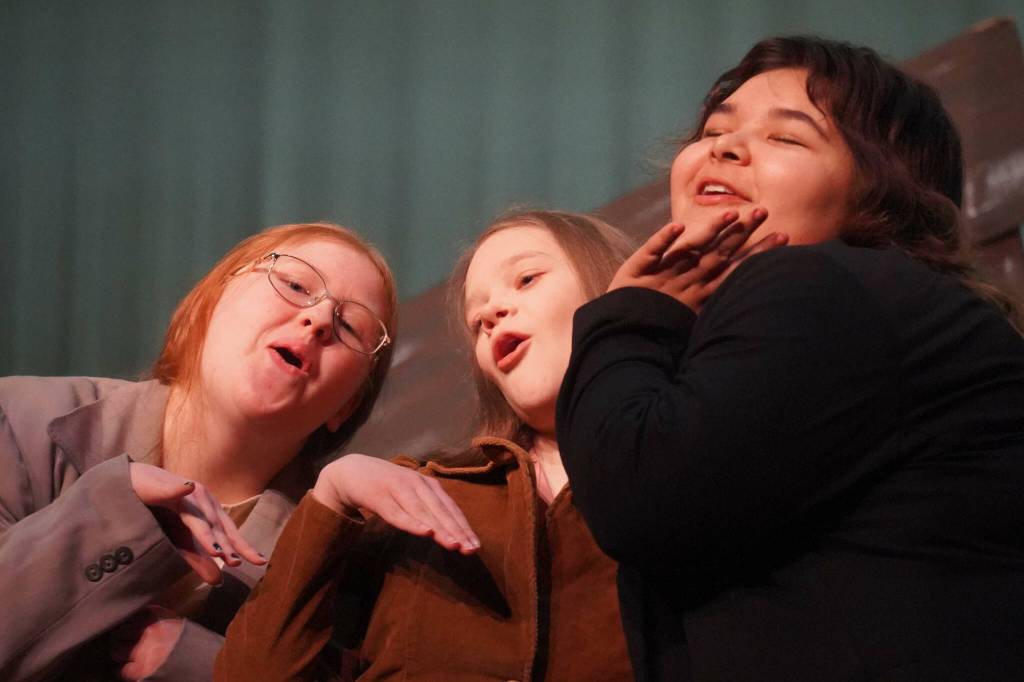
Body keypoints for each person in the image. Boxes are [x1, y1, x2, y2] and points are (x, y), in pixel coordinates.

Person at [556, 36, 1024, 681]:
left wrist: (628, 310)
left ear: (883, 194)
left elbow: (640, 490)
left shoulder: (824, 284)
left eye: (787, 138)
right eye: (715, 129)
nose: (723, 146)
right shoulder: (863, 315)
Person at [214, 209, 777, 681]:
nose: (490, 313)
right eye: (476, 318)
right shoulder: (417, 498)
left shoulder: (703, 473)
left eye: (526, 279)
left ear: (619, 290)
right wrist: (332, 498)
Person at [0, 221, 397, 682]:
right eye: (294, 284)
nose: (320, 319)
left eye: (350, 325)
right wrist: (111, 517)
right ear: (208, 305)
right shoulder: (16, 420)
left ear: (347, 405)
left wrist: (208, 669)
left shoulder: (344, 566)